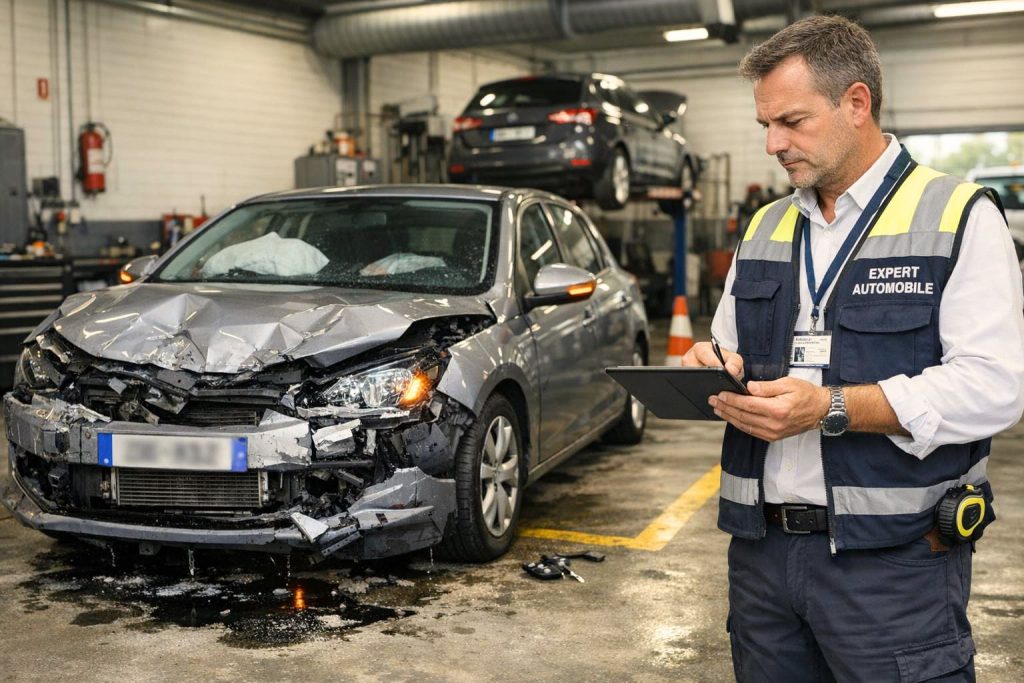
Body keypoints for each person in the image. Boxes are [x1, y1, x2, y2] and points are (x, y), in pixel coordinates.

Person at [681, 15, 1024, 682]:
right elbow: (728, 344)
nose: (774, 144)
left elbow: (994, 388)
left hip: (893, 568)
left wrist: (832, 406)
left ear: (857, 103)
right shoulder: (766, 225)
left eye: (792, 121)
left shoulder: (958, 216)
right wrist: (712, 363)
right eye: (765, 125)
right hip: (761, 559)